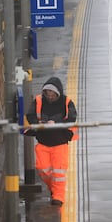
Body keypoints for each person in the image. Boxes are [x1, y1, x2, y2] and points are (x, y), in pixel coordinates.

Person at [25, 76, 77, 206]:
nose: (50, 96)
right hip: (43, 142)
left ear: (58, 92)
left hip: (60, 144)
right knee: (42, 169)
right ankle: (54, 189)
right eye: (47, 93)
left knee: (59, 172)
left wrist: (56, 122)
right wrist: (40, 123)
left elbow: (72, 118)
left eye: (52, 93)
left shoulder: (67, 102)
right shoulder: (38, 101)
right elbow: (30, 116)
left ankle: (58, 197)